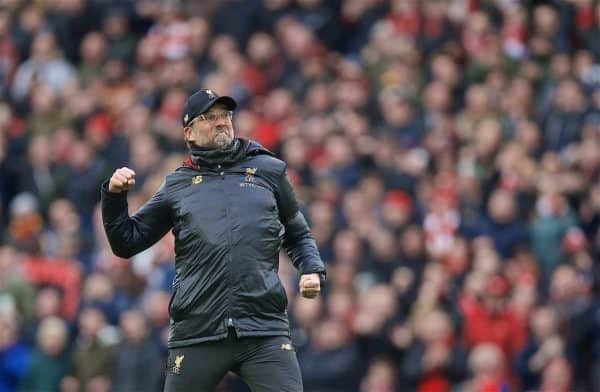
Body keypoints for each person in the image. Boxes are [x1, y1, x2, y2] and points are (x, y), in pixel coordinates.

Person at [101, 88, 326, 391]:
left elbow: (297, 231)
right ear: (188, 132)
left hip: (263, 327)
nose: (221, 122)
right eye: (209, 117)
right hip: (195, 332)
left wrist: (310, 268)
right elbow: (126, 242)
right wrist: (114, 197)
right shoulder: (176, 185)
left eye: (225, 115)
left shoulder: (269, 170)